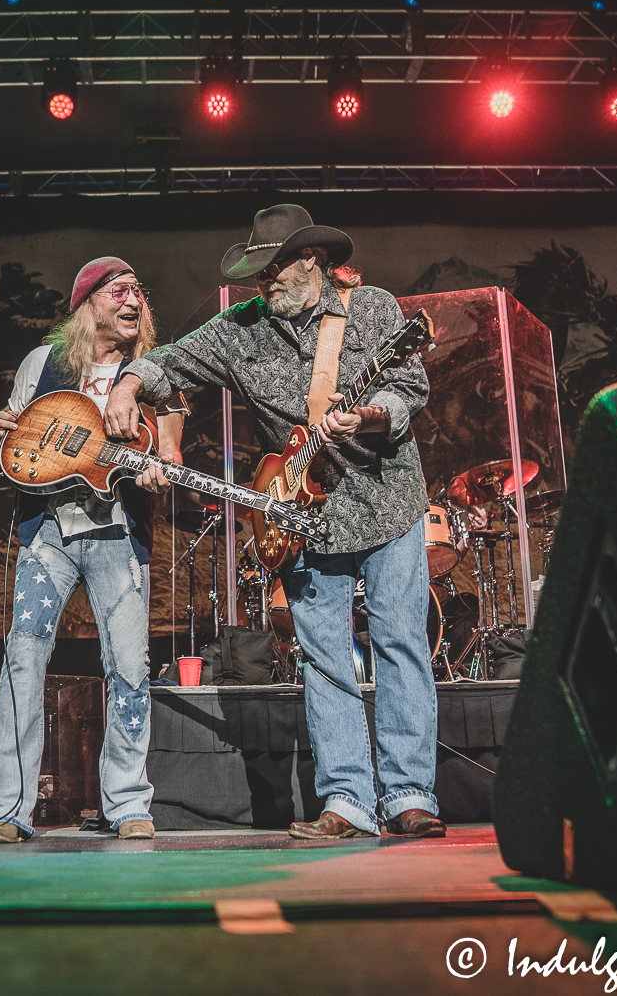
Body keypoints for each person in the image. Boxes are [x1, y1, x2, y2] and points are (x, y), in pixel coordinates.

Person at [105, 205, 445, 840]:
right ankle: (347, 800)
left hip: (388, 498)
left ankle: (409, 794)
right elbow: (170, 361)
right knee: (324, 659)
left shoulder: (372, 308)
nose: (265, 282)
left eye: (276, 269)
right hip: (300, 513)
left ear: (312, 261)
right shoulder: (240, 329)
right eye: (257, 272)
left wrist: (369, 416)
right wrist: (128, 385)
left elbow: (409, 389)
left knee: (401, 643)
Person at [0, 257, 180, 843]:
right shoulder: (41, 364)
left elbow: (170, 453)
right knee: (24, 660)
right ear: (87, 302)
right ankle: (6, 810)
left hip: (119, 534)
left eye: (139, 292)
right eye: (120, 291)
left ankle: (126, 803)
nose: (134, 301)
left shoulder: (156, 375)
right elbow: (15, 454)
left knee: (131, 668)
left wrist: (158, 469)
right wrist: (3, 443)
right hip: (48, 533)